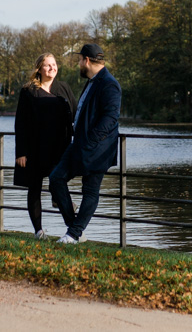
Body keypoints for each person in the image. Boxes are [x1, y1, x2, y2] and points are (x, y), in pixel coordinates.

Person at [49, 44, 121, 244]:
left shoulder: (109, 83)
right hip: (79, 145)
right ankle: (75, 231)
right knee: (56, 179)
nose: (78, 64)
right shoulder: (92, 81)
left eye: (79, 60)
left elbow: (111, 117)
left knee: (90, 190)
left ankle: (72, 234)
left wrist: (91, 140)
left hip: (98, 149)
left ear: (87, 60)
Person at [14, 52, 75, 240]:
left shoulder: (63, 88)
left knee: (59, 185)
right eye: (47, 65)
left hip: (59, 148)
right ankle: (38, 231)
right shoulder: (28, 91)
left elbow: (75, 114)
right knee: (34, 188)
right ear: (39, 69)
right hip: (35, 148)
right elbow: (21, 122)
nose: (52, 68)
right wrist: (21, 152)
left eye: (54, 64)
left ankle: (73, 230)